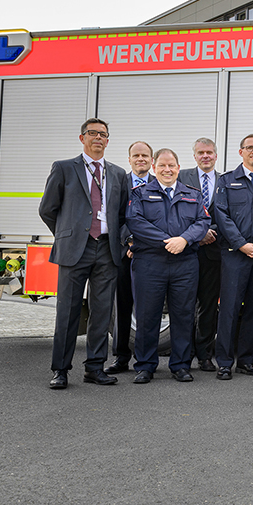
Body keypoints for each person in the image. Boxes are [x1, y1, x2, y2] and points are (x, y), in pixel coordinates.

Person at [39, 118, 129, 389]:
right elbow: (47, 209)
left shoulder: (117, 173)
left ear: (108, 140)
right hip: (75, 249)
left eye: (103, 134)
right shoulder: (64, 168)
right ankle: (61, 370)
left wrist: (120, 242)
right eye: (92, 133)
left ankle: (94, 368)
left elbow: (122, 214)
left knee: (102, 312)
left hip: (107, 248)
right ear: (82, 138)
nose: (98, 138)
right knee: (67, 312)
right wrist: (68, 234)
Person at [127, 148, 210, 384]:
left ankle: (181, 365)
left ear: (178, 168)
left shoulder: (192, 194)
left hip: (185, 263)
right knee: (147, 315)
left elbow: (203, 221)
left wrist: (183, 240)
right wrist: (167, 242)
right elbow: (135, 221)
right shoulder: (140, 193)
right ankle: (145, 365)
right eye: (162, 166)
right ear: (154, 168)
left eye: (171, 165)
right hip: (150, 264)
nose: (167, 170)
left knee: (183, 315)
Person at [213, 134, 253, 381]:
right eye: (249, 148)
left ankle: (246, 360)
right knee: (229, 308)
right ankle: (224, 362)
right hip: (234, 255)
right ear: (241, 152)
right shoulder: (227, 181)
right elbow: (221, 215)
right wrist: (242, 245)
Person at [108, 140, 153, 375]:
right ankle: (121, 357)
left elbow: (159, 220)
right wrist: (129, 241)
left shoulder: (159, 184)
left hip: (150, 255)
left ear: (151, 160)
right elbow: (115, 216)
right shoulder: (118, 183)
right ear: (129, 159)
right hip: (124, 253)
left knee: (147, 308)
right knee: (123, 306)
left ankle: (145, 360)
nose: (140, 159)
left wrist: (141, 243)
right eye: (136, 155)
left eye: (145, 155)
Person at [179, 138, 222, 372]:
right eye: (201, 152)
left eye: (210, 152)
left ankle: (205, 355)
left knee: (207, 305)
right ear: (194, 155)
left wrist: (210, 231)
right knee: (183, 304)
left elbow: (227, 214)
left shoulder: (225, 181)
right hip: (185, 251)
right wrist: (197, 234)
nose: (205, 156)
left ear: (216, 155)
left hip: (213, 253)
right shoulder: (181, 176)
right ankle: (184, 355)